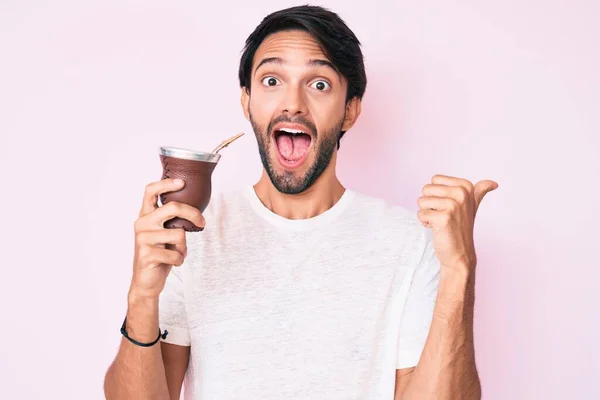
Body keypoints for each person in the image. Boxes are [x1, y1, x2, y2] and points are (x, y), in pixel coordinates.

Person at [103, 5, 497, 400]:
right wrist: (142, 296)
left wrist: (460, 269)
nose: (293, 103)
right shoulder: (193, 232)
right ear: (247, 102)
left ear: (350, 110)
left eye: (319, 84)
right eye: (272, 79)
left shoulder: (411, 242)